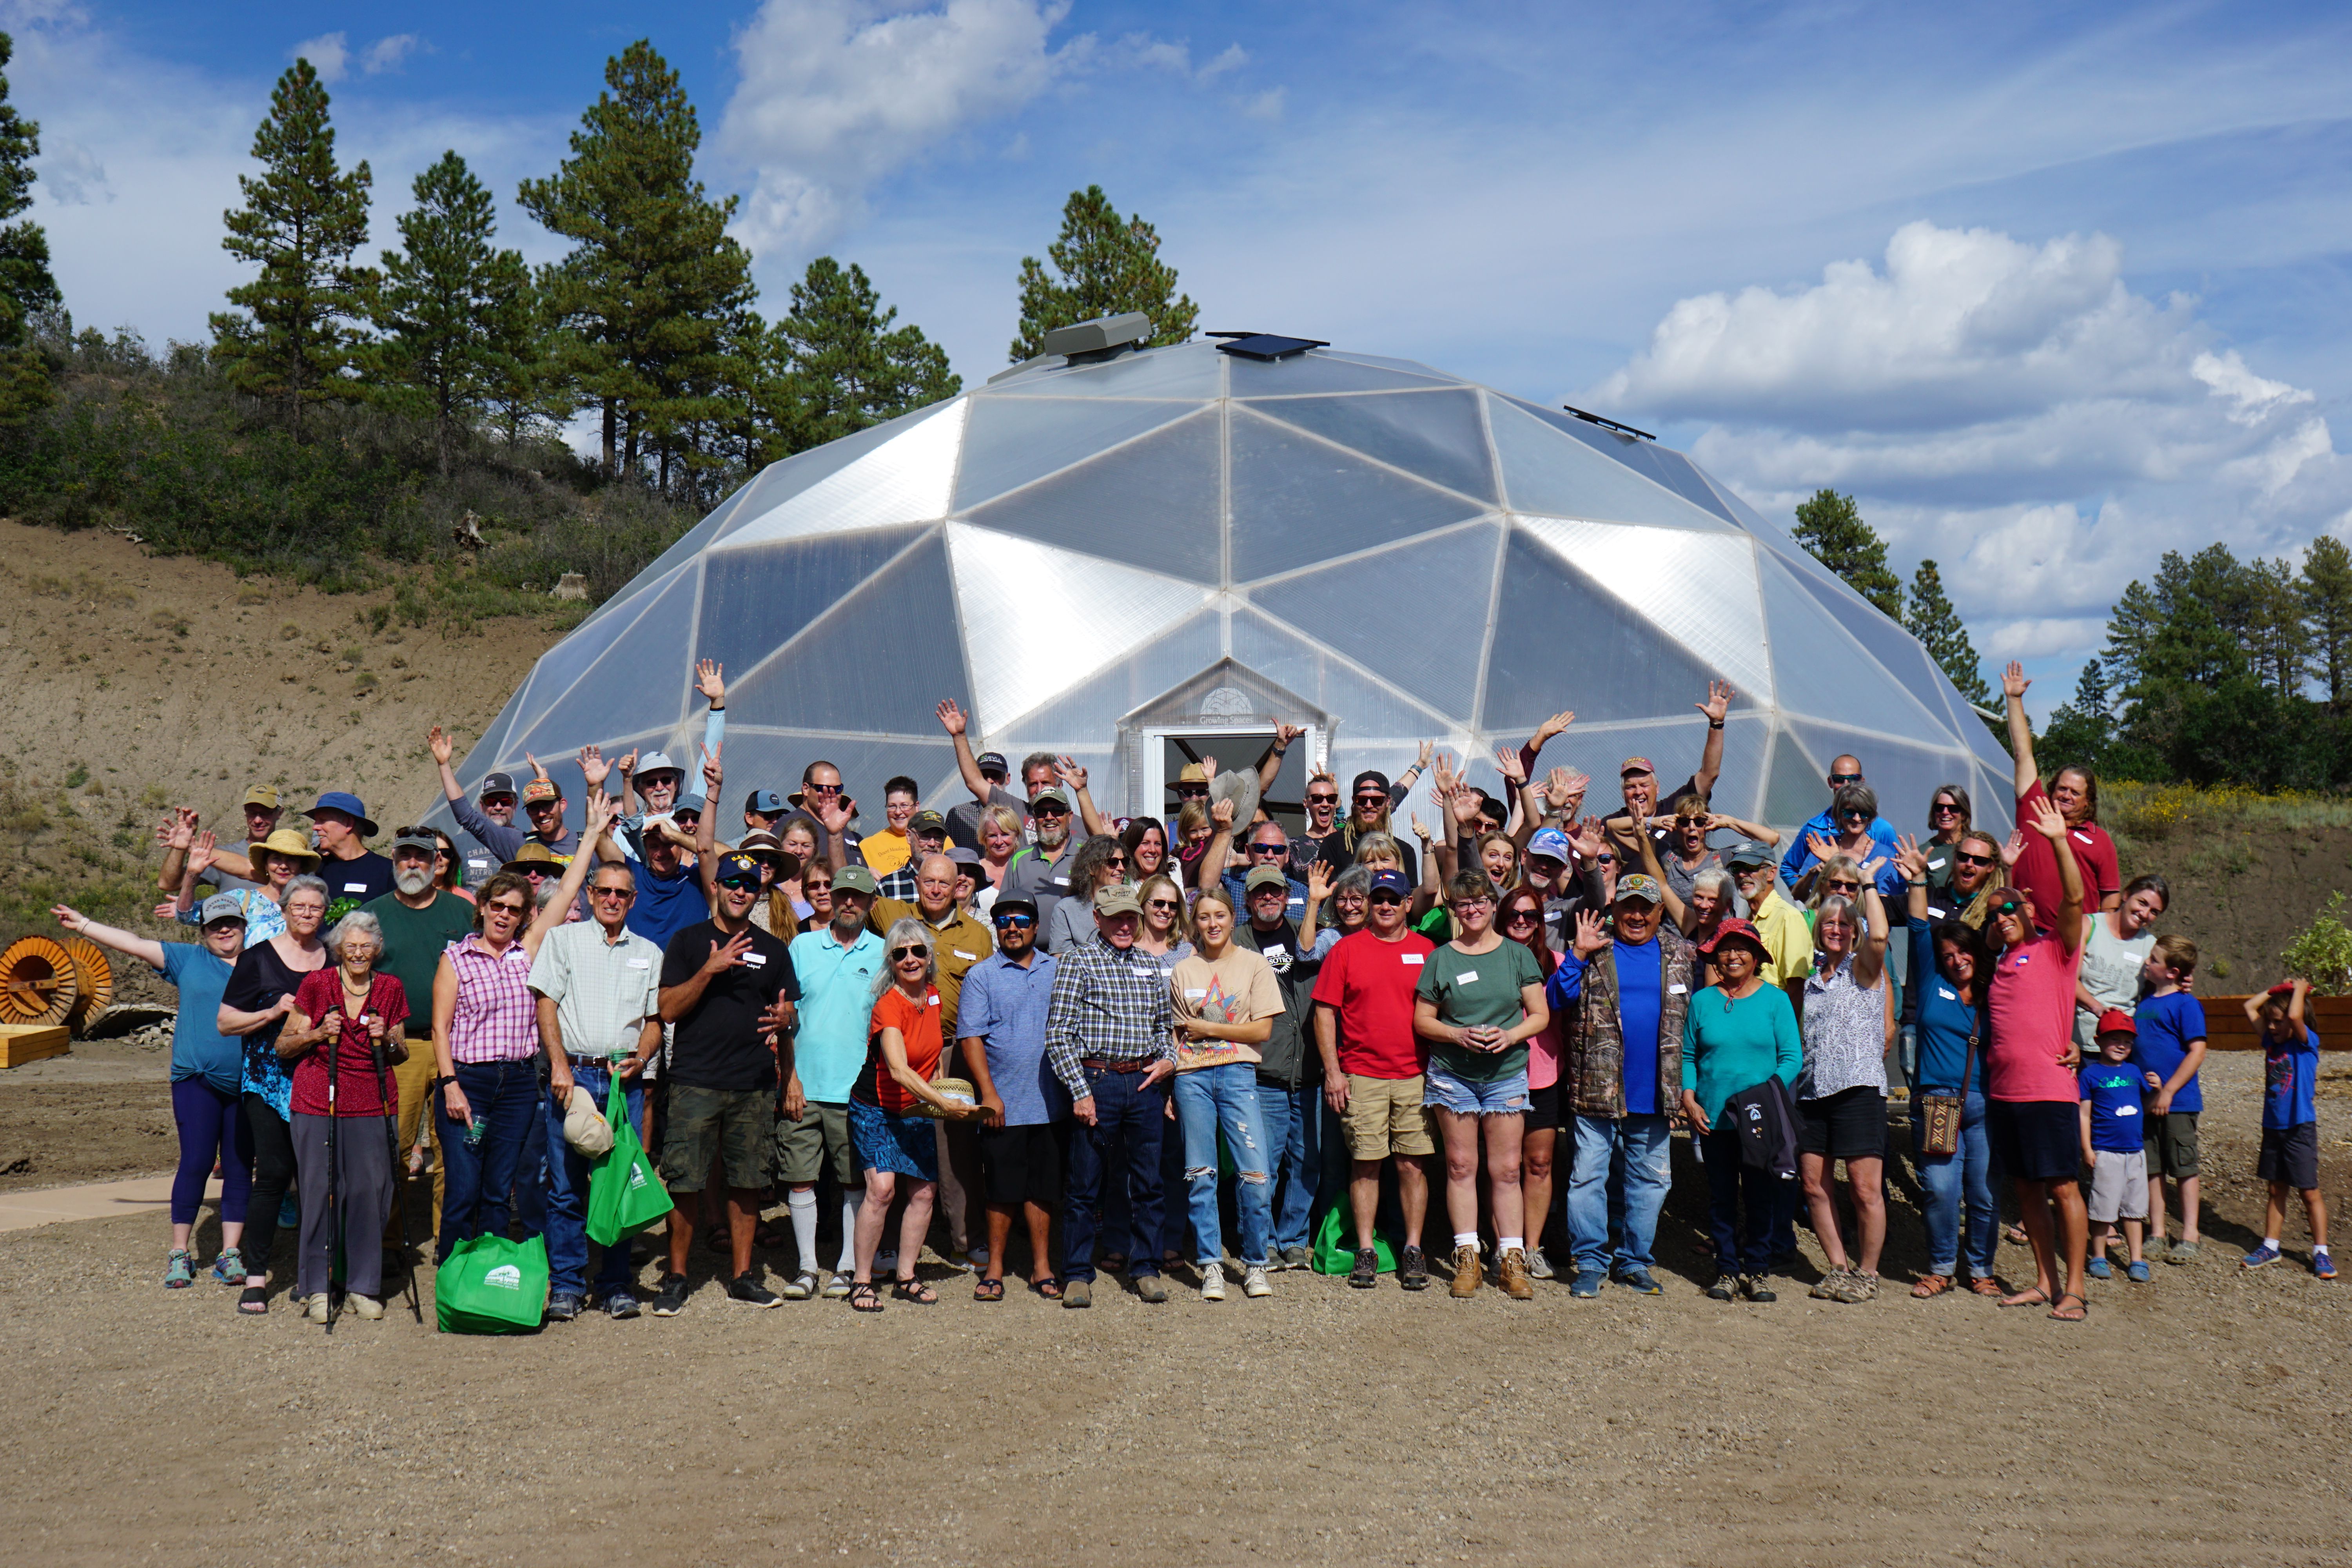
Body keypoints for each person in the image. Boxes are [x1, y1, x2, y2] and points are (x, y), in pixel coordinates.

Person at [54, 897, 250, 1290]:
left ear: (245, 927)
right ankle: (180, 1252)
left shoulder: (262, 963)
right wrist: (85, 924)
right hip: (196, 1078)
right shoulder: (187, 959)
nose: (224, 930)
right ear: (202, 931)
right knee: (196, 1161)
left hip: (249, 1082)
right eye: (215, 925)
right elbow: (133, 942)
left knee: (239, 1164)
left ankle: (231, 1253)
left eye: (231, 923)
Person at [652, 850, 800, 1313]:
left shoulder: (774, 949)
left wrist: (786, 1018)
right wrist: (708, 970)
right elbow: (669, 1009)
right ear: (715, 886)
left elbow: (790, 1013)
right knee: (686, 1181)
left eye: (749, 884)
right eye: (732, 882)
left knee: (748, 1181)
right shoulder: (689, 941)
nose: (740, 890)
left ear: (759, 892)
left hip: (753, 1082)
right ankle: (677, 1276)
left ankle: (742, 1275)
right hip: (696, 1080)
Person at [432, 846, 592, 1268]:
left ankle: (489, 1276)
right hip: (469, 1083)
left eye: (514, 909)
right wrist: (450, 1085)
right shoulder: (455, 959)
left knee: (499, 1190)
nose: (504, 915)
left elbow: (566, 892)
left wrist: (592, 831)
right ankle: (454, 1275)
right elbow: (439, 1029)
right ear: (482, 907)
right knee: (464, 1188)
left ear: (525, 916)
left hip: (519, 1085)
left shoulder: (529, 953)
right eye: (497, 906)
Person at [530, 844, 666, 1321]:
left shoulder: (649, 952)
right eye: (603, 891)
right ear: (588, 895)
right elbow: (546, 1004)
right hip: (575, 1077)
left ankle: (614, 1284)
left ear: (632, 901)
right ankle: (568, 1283)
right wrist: (560, 1066)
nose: (611, 899)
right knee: (566, 1186)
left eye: (621, 893)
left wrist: (643, 1056)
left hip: (623, 1077)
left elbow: (654, 1019)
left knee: (617, 1184)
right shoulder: (564, 942)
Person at [1548, 874, 1692, 1299]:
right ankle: (1591, 1262)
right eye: (1628, 906)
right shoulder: (1595, 949)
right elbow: (1557, 999)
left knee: (1651, 1182)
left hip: (1656, 1091)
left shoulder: (1681, 954)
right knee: (1588, 1178)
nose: (1635, 915)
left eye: (1645, 908)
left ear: (1659, 912)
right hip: (1596, 1088)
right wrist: (1577, 953)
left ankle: (1634, 1261)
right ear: (1614, 909)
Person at [1984, 794, 2093, 1321]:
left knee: (2064, 1187)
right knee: (2026, 1191)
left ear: (2029, 910)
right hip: (2005, 1093)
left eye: (2012, 909)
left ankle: (2075, 1289)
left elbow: (2075, 898)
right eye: (1996, 913)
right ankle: (2045, 1281)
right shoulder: (2000, 961)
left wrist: (2057, 842)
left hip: (2049, 1091)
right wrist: (2002, 881)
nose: (2003, 916)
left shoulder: (2056, 949)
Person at [1415, 869, 1549, 1299]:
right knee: (1460, 1166)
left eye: (1479, 902)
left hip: (1506, 1072)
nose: (1471, 909)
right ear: (1453, 910)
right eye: (1462, 904)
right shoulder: (1441, 958)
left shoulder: (1518, 955)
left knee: (1507, 1170)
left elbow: (1540, 1014)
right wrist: (1456, 1034)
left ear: (1494, 905)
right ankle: (1467, 1255)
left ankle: (1512, 1260)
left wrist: (1511, 1035)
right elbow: (1422, 1019)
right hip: (1454, 1075)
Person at [1043, 886, 1178, 1310]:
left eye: (1131, 918)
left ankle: (1146, 1267)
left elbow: (1163, 1027)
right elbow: (1059, 1033)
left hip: (1142, 1082)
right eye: (1116, 917)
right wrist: (1080, 1092)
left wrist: (1168, 1060)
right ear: (1097, 918)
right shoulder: (1079, 962)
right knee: (1085, 1183)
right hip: (1097, 1080)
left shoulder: (1149, 965)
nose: (1124, 925)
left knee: (1148, 1182)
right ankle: (1078, 1273)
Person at [848, 922, 984, 1310]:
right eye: (901, 953)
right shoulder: (887, 1005)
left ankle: (906, 1275)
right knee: (882, 1190)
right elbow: (900, 1071)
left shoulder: (935, 996)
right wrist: (945, 1105)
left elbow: (929, 1057)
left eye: (918, 951)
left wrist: (941, 1086)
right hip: (877, 1107)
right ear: (891, 961)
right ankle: (862, 1280)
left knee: (924, 1191)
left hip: (916, 1107)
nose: (910, 959)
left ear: (929, 956)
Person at [1312, 868, 1436, 1289]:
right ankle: (1365, 1248)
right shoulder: (1346, 950)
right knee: (1366, 1164)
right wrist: (1333, 1072)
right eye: (1378, 898)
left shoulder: (1426, 950)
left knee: (1412, 1164)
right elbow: (1325, 1012)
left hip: (1414, 1075)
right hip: (1361, 1074)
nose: (1384, 906)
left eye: (1393, 899)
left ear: (1407, 904)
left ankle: (1413, 1248)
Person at [281, 909, 406, 1322]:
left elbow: (401, 1052)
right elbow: (284, 1045)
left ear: (377, 950)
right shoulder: (317, 985)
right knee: (320, 1192)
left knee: (371, 1194)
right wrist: (317, 1033)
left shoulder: (390, 988)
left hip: (374, 1100)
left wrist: (386, 1038)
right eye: (350, 946)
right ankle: (317, 1286)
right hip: (320, 1099)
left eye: (365, 947)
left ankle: (363, 1285)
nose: (357, 953)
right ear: (338, 949)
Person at [215, 873, 332, 1314]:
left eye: (315, 908)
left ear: (325, 913)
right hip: (267, 1081)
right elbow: (226, 1022)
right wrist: (271, 1011)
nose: (307, 914)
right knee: (274, 1176)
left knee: (319, 1179)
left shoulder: (334, 958)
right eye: (299, 907)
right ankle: (258, 1277)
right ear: (284, 910)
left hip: (319, 1078)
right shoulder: (258, 959)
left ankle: (313, 1274)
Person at [870, 853, 995, 1265]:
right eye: (929, 882)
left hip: (953, 1049)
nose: (937, 889)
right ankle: (889, 1244)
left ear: (960, 885)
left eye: (945, 882)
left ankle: (966, 1237)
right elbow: (851, 894)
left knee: (956, 1149)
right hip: (900, 1047)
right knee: (897, 1141)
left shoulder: (978, 935)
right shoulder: (898, 918)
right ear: (917, 883)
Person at [359, 829, 476, 1252]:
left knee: (456, 1151)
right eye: (405, 856)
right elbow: (353, 976)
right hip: (399, 1048)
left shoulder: (463, 912)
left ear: (435, 862)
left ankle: (453, 1244)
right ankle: (386, 1244)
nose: (413, 864)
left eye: (421, 857)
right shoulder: (372, 915)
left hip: (458, 1047)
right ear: (393, 859)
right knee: (394, 1145)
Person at [1891, 841, 1998, 1299]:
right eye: (1949, 953)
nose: (1956, 958)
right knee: (1938, 1188)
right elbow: (1918, 927)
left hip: (1984, 1104)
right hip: (1937, 1098)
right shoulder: (1934, 982)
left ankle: (1980, 1268)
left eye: (1963, 951)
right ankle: (1940, 1266)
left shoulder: (1996, 994)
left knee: (1985, 1194)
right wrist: (1918, 878)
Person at [1168, 886, 1284, 1301]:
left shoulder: (1254, 965)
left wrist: (1212, 1029)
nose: (1212, 924)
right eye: (1203, 917)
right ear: (1194, 923)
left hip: (1239, 1075)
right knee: (1201, 1175)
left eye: (1219, 915)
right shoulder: (1185, 969)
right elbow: (1182, 1036)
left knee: (1255, 1175)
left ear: (1233, 918)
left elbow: (1262, 1031)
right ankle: (1211, 1264)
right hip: (1193, 1077)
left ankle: (1255, 1263)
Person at [1680, 918, 1801, 1303]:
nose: (1732, 956)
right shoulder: (1702, 1002)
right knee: (1721, 1197)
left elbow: (1792, 1057)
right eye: (1725, 949)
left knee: (1761, 1195)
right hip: (1713, 1116)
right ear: (1714, 957)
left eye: (1741, 949)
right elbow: (1688, 1056)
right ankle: (1728, 1270)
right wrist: (1688, 1096)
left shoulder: (1776, 999)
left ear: (1756, 957)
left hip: (1759, 1120)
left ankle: (1759, 1270)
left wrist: (1765, 1094)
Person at [780, 864, 885, 1300]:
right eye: (842, 894)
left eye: (858, 897)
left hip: (855, 1090)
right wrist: (789, 1077)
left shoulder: (884, 952)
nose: (848, 902)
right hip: (803, 1084)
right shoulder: (802, 946)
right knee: (800, 1177)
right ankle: (807, 1267)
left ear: (870, 904)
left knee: (852, 1181)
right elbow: (784, 1017)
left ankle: (846, 1264)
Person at [959, 896, 1065, 1299]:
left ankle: (1041, 1267)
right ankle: (996, 1268)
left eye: (1022, 920)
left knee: (1042, 1189)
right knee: (1002, 1189)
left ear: (1036, 927)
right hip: (1002, 1102)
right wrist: (989, 1094)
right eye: (1004, 921)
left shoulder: (1056, 969)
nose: (1013, 927)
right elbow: (971, 1037)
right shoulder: (981, 975)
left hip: (1051, 1104)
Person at [1794, 884, 1892, 1304]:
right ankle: (1838, 1266)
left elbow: (1881, 937)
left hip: (1858, 1087)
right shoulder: (1813, 982)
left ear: (1855, 931)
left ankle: (1867, 1273)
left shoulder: (1864, 968)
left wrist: (1869, 884)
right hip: (1814, 1091)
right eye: (1829, 922)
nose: (1836, 929)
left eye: (1844, 923)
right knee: (1814, 1183)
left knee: (1864, 1187)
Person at [1238, 865, 1328, 1272]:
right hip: (1265, 1072)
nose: (1269, 898)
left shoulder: (1307, 933)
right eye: (1261, 893)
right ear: (1249, 899)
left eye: (1276, 891)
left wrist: (1313, 903)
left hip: (1309, 1070)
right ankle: (1261, 1242)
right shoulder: (1238, 942)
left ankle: (1294, 1239)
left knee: (1307, 1162)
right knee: (1263, 1167)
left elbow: (1313, 959)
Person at [2000, 661, 2122, 921]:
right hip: (2024, 929)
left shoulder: (2100, 841)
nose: (2066, 795)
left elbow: (2110, 898)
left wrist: (2102, 938)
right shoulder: (2034, 808)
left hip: (2074, 940)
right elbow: (2023, 755)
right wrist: (2013, 699)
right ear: (2051, 788)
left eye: (2075, 793)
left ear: (2088, 801)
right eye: (2062, 788)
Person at [1495, 886, 1563, 1277]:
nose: (1522, 921)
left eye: (1531, 915)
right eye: (1514, 915)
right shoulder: (1487, 959)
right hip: (1499, 1075)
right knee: (1503, 1167)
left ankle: (1533, 1246)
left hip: (1542, 1075)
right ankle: (1505, 1245)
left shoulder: (1557, 962)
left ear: (1541, 922)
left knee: (1538, 1164)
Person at [2241, 980, 2331, 1277]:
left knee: (2309, 1192)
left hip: (2299, 1128)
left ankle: (2321, 1252)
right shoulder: (2271, 1042)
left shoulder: (2306, 1044)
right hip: (2273, 1127)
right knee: (2275, 1189)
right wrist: (2277, 989)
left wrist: (2299, 990)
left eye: (2277, 1022)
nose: (2272, 1027)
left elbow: (2294, 1017)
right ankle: (2271, 1246)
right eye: (2269, 1022)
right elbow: (2248, 1007)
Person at [2132, 935, 2208, 1263]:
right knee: (2153, 1168)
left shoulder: (2186, 1004)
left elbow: (2197, 1051)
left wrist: (2169, 1091)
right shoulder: (2145, 1002)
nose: (2147, 963)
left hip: (2178, 1102)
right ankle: (2158, 1232)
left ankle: (2191, 1233)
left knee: (2184, 1167)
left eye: (2153, 959)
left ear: (2172, 971)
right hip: (2146, 1101)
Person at [1602, 682, 1733, 857]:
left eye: (1644, 785)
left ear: (1657, 788)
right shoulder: (1611, 824)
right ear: (1623, 792)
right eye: (1630, 787)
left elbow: (1709, 775)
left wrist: (1717, 724)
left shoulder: (1676, 808)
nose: (1638, 792)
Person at [2078, 1010, 2152, 1283]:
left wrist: (2156, 1089)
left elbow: (2145, 1106)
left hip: (2136, 1152)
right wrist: (2087, 1149)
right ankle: (2098, 1256)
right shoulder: (2090, 1074)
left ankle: (2137, 1259)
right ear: (2098, 1041)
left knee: (2134, 1209)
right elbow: (2084, 1114)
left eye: (2128, 1042)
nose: (2121, 1045)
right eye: (2114, 1039)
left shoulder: (2134, 1071)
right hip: (2106, 1152)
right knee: (2103, 1208)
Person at [2073, 874, 2170, 1053]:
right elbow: (2069, 980)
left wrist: (2182, 982)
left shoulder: (2152, 947)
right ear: (2126, 896)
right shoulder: (2089, 926)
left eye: (2154, 912)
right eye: (2142, 903)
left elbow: (2163, 988)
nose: (2145, 914)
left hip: (2122, 1046)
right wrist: (2099, 1009)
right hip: (2079, 1042)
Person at [1777, 754, 1899, 888]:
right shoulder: (1814, 828)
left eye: (1854, 779)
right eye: (1840, 779)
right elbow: (1788, 869)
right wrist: (1811, 896)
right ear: (1830, 782)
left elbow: (1894, 875)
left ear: (1862, 781)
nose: (1847, 785)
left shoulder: (1882, 829)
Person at [1726, 842, 1812, 997]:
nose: (1741, 875)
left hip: (1774, 1019)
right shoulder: (1747, 922)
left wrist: (1785, 1022)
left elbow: (1796, 988)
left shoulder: (1788, 917)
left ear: (1771, 873)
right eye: (1736, 869)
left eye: (1750, 867)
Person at [999, 788, 1080, 935]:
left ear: (1070, 817)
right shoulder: (1020, 858)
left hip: (1077, 953)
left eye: (1057, 810)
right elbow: (1004, 910)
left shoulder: (1086, 853)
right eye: (1042, 812)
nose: (1049, 817)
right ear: (1034, 818)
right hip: (1030, 953)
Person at [1043, 835, 1129, 953]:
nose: (1121, 868)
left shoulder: (1131, 905)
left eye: (1124, 862)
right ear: (1092, 868)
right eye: (1113, 862)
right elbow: (1062, 961)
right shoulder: (1067, 909)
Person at [1222, 820, 1310, 925]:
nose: (1269, 856)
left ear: (1287, 855)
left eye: (1278, 849)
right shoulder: (1230, 887)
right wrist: (1222, 831)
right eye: (1261, 848)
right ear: (1248, 852)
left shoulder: (1303, 892)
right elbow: (1206, 884)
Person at [874, 809, 949, 902]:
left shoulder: (953, 884)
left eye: (938, 838)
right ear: (909, 837)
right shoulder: (888, 886)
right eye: (925, 836)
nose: (932, 844)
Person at [862, 777, 924, 878]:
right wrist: (863, 871)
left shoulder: (937, 841)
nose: (898, 812)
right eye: (892, 806)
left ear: (917, 807)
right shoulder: (867, 847)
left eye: (904, 806)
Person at [1919, 784, 1974, 893]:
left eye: (1953, 808)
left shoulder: (1979, 847)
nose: (1945, 812)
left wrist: (2007, 868)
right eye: (1940, 808)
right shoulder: (1923, 853)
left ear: (1964, 815)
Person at [1290, 768, 1344, 879]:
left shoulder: (1348, 836)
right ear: (1306, 803)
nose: (1325, 804)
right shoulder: (1294, 847)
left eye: (1331, 798)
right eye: (1317, 798)